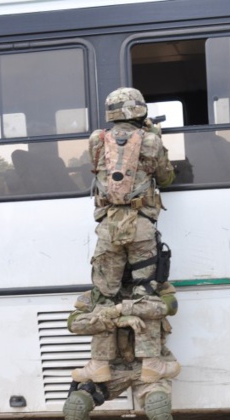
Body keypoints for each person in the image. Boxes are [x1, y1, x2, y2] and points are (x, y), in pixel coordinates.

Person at [73, 87, 178, 385]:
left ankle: (98, 364)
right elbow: (166, 177)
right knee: (145, 292)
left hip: (107, 227)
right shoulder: (151, 141)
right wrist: (153, 136)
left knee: (103, 296)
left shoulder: (96, 140)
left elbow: (98, 170)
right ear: (138, 109)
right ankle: (152, 363)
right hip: (141, 226)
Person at [56, 283, 179, 420]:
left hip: (149, 367)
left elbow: (167, 307)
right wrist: (115, 319)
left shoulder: (156, 287)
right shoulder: (96, 293)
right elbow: (74, 323)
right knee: (76, 407)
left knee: (158, 408)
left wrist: (123, 307)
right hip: (110, 370)